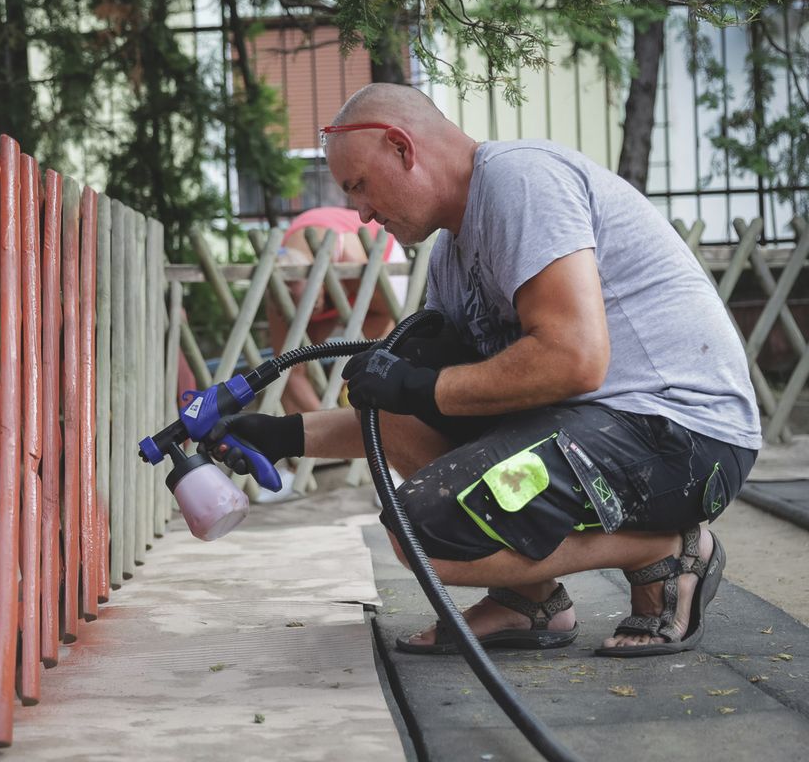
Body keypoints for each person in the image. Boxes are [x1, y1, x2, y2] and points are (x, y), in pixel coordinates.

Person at [206, 83, 760, 657]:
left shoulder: (519, 181)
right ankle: (528, 599)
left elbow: (574, 358)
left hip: (682, 435)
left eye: (359, 186)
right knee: (404, 399)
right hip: (604, 426)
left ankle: (667, 550)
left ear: (402, 147)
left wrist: (419, 386)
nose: (362, 214)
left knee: (422, 532)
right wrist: (281, 436)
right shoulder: (450, 250)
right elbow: (409, 406)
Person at [268, 207, 410, 415]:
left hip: (377, 258)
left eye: (317, 307)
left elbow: (386, 316)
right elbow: (288, 371)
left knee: (362, 366)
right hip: (317, 280)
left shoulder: (351, 257)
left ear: (323, 288)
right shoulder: (277, 290)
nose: (312, 319)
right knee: (294, 365)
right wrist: (325, 422)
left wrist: (345, 374)